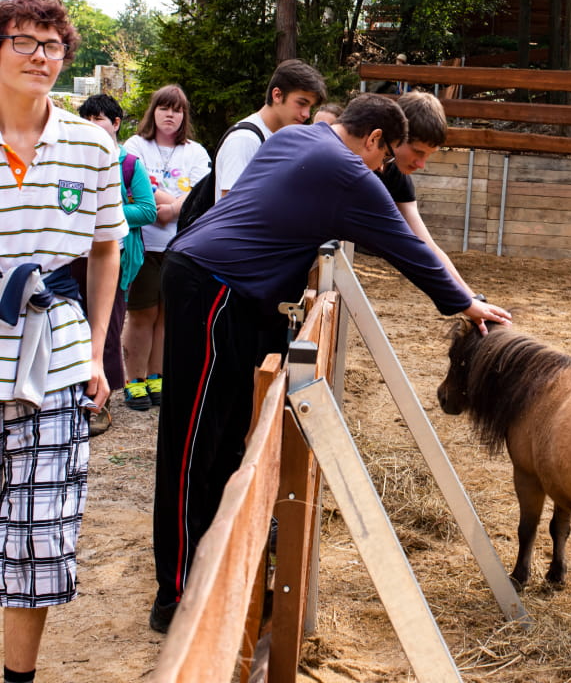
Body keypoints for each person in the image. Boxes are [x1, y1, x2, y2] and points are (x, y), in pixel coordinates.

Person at [149, 93, 512, 632]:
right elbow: (405, 247)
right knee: (194, 439)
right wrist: (464, 302)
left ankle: (211, 564)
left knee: (225, 433)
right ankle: (176, 596)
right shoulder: (348, 171)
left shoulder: (299, 136)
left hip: (218, 282)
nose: (382, 169)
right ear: (373, 140)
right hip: (215, 288)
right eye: (385, 157)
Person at [0, 0, 127, 682]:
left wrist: (99, 350)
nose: (39, 56)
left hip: (56, 351)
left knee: (39, 534)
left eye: (52, 46)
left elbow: (106, 249)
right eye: (23, 41)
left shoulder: (92, 145)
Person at [72, 94, 157, 435]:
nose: (94, 126)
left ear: (116, 123)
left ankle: (99, 404)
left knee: (106, 330)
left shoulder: (128, 163)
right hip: (72, 258)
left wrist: (106, 213)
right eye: (87, 119)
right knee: (71, 326)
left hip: (115, 257)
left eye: (101, 119)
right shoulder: (71, 158)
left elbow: (147, 210)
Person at [122, 86, 210, 412]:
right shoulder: (135, 146)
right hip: (145, 243)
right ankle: (134, 379)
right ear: (153, 112)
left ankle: (156, 374)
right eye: (163, 108)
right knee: (142, 313)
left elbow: (202, 188)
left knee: (166, 315)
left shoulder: (196, 152)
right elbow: (138, 182)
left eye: (177, 109)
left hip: (181, 245)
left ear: (184, 115)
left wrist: (173, 211)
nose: (170, 115)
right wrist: (167, 203)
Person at [378, 91, 474, 293]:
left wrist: (472, 297)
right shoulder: (355, 164)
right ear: (396, 134)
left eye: (428, 155)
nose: (421, 164)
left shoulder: (397, 177)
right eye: (418, 151)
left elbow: (425, 244)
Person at [214, 59, 327, 200]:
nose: (306, 114)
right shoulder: (244, 140)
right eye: (301, 103)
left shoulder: (283, 139)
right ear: (277, 95)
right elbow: (230, 212)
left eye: (310, 107)